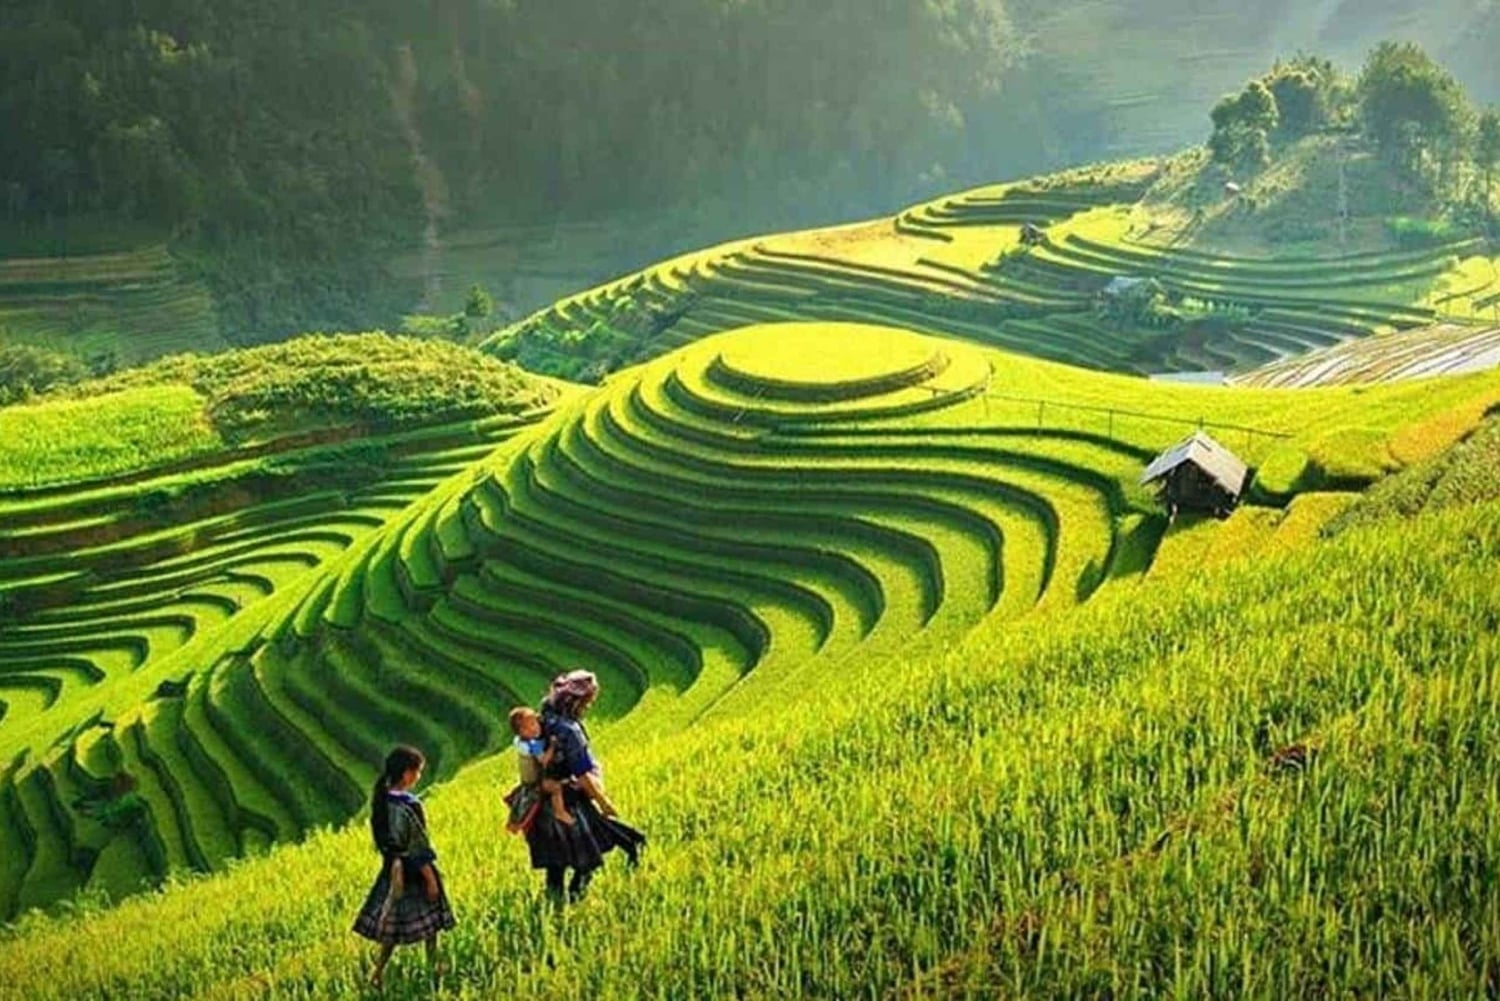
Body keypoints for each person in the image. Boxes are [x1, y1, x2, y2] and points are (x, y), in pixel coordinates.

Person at [523, 670, 646, 904]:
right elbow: (582, 774)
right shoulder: (570, 731)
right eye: (587, 702)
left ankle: (555, 904)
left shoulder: (545, 715)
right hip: (569, 800)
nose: (588, 707)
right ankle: (575, 901)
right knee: (588, 857)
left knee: (555, 863)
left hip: (543, 800)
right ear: (575, 701)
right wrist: (603, 801)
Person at [352, 746, 456, 987]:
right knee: (431, 921)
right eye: (418, 771)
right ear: (407, 774)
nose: (419, 776)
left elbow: (388, 842)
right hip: (414, 870)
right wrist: (430, 877)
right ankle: (431, 965)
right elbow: (418, 845)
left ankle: (378, 972)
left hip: (392, 869)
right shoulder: (410, 804)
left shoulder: (381, 799)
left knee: (391, 928)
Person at [505, 706, 573, 830]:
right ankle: (560, 812)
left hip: (527, 780)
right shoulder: (533, 744)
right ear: (520, 732)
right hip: (536, 782)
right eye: (528, 727)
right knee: (556, 789)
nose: (534, 728)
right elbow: (544, 760)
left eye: (535, 723)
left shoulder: (519, 742)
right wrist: (552, 746)